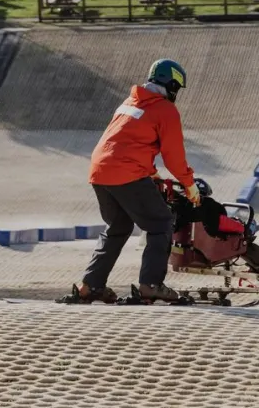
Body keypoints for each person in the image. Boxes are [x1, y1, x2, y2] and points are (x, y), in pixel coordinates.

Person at [62, 58, 200, 305]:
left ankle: (90, 286)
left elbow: (125, 143)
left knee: (118, 226)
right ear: (171, 85)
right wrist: (189, 184)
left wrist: (152, 174)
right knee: (161, 223)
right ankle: (151, 285)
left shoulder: (129, 103)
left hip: (100, 171)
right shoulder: (165, 109)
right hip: (126, 173)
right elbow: (174, 157)